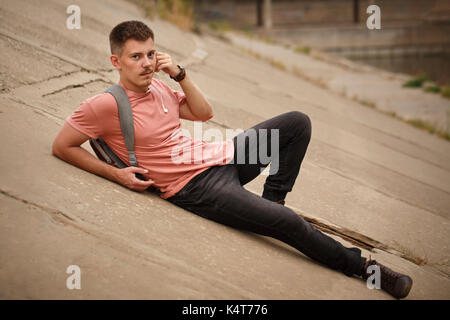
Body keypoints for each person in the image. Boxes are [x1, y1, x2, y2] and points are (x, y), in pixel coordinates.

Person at [52, 20, 413, 299]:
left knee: (296, 123)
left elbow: (203, 113)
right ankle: (365, 268)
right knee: (288, 223)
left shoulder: (161, 85)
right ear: (116, 61)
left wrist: (179, 74)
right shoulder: (105, 105)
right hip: (196, 186)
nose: (146, 64)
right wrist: (118, 176)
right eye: (136, 57)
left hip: (221, 157)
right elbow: (63, 146)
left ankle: (271, 204)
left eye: (150, 54)